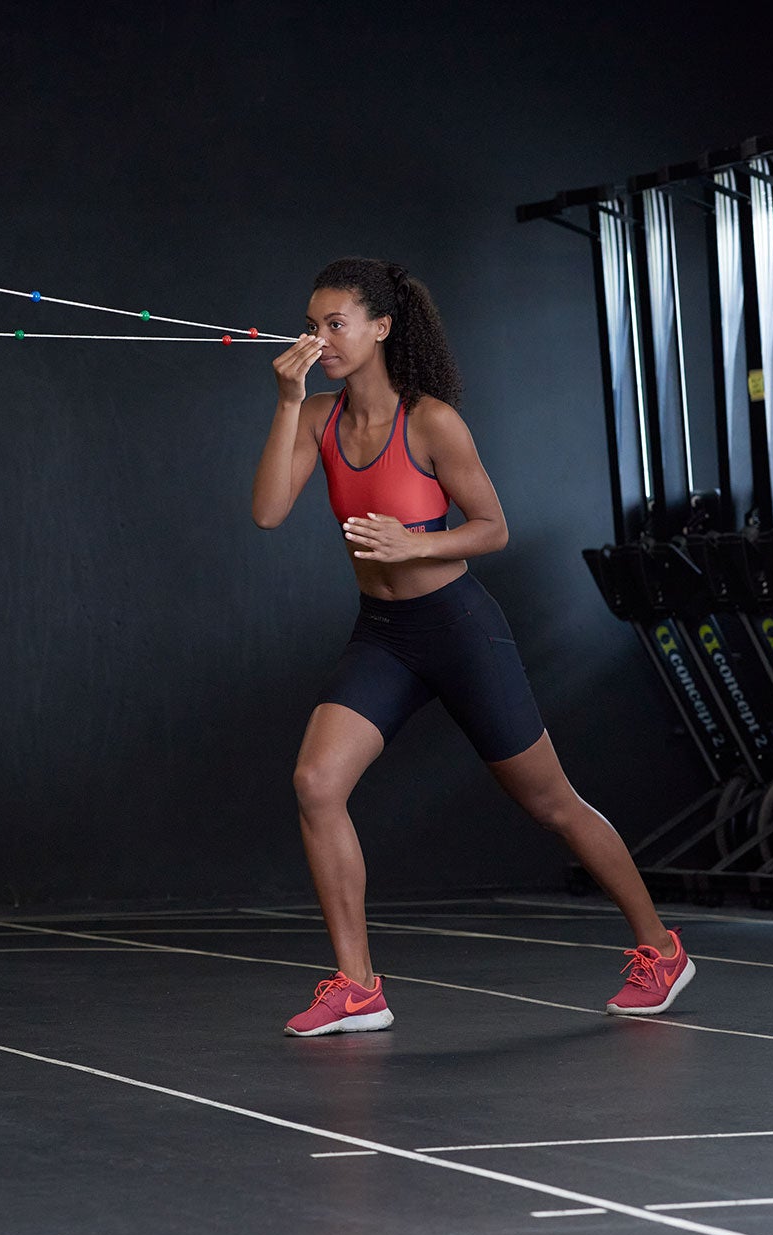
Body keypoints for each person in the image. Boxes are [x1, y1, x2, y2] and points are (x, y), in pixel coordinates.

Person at [250, 257, 694, 1037]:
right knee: (316, 782)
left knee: (551, 802)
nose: (319, 338)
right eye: (312, 324)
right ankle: (358, 987)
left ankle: (661, 950)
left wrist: (411, 543)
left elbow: (494, 528)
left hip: (457, 628)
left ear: (381, 327)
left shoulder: (431, 422)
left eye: (335, 324)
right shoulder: (319, 418)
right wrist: (288, 400)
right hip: (383, 635)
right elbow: (267, 512)